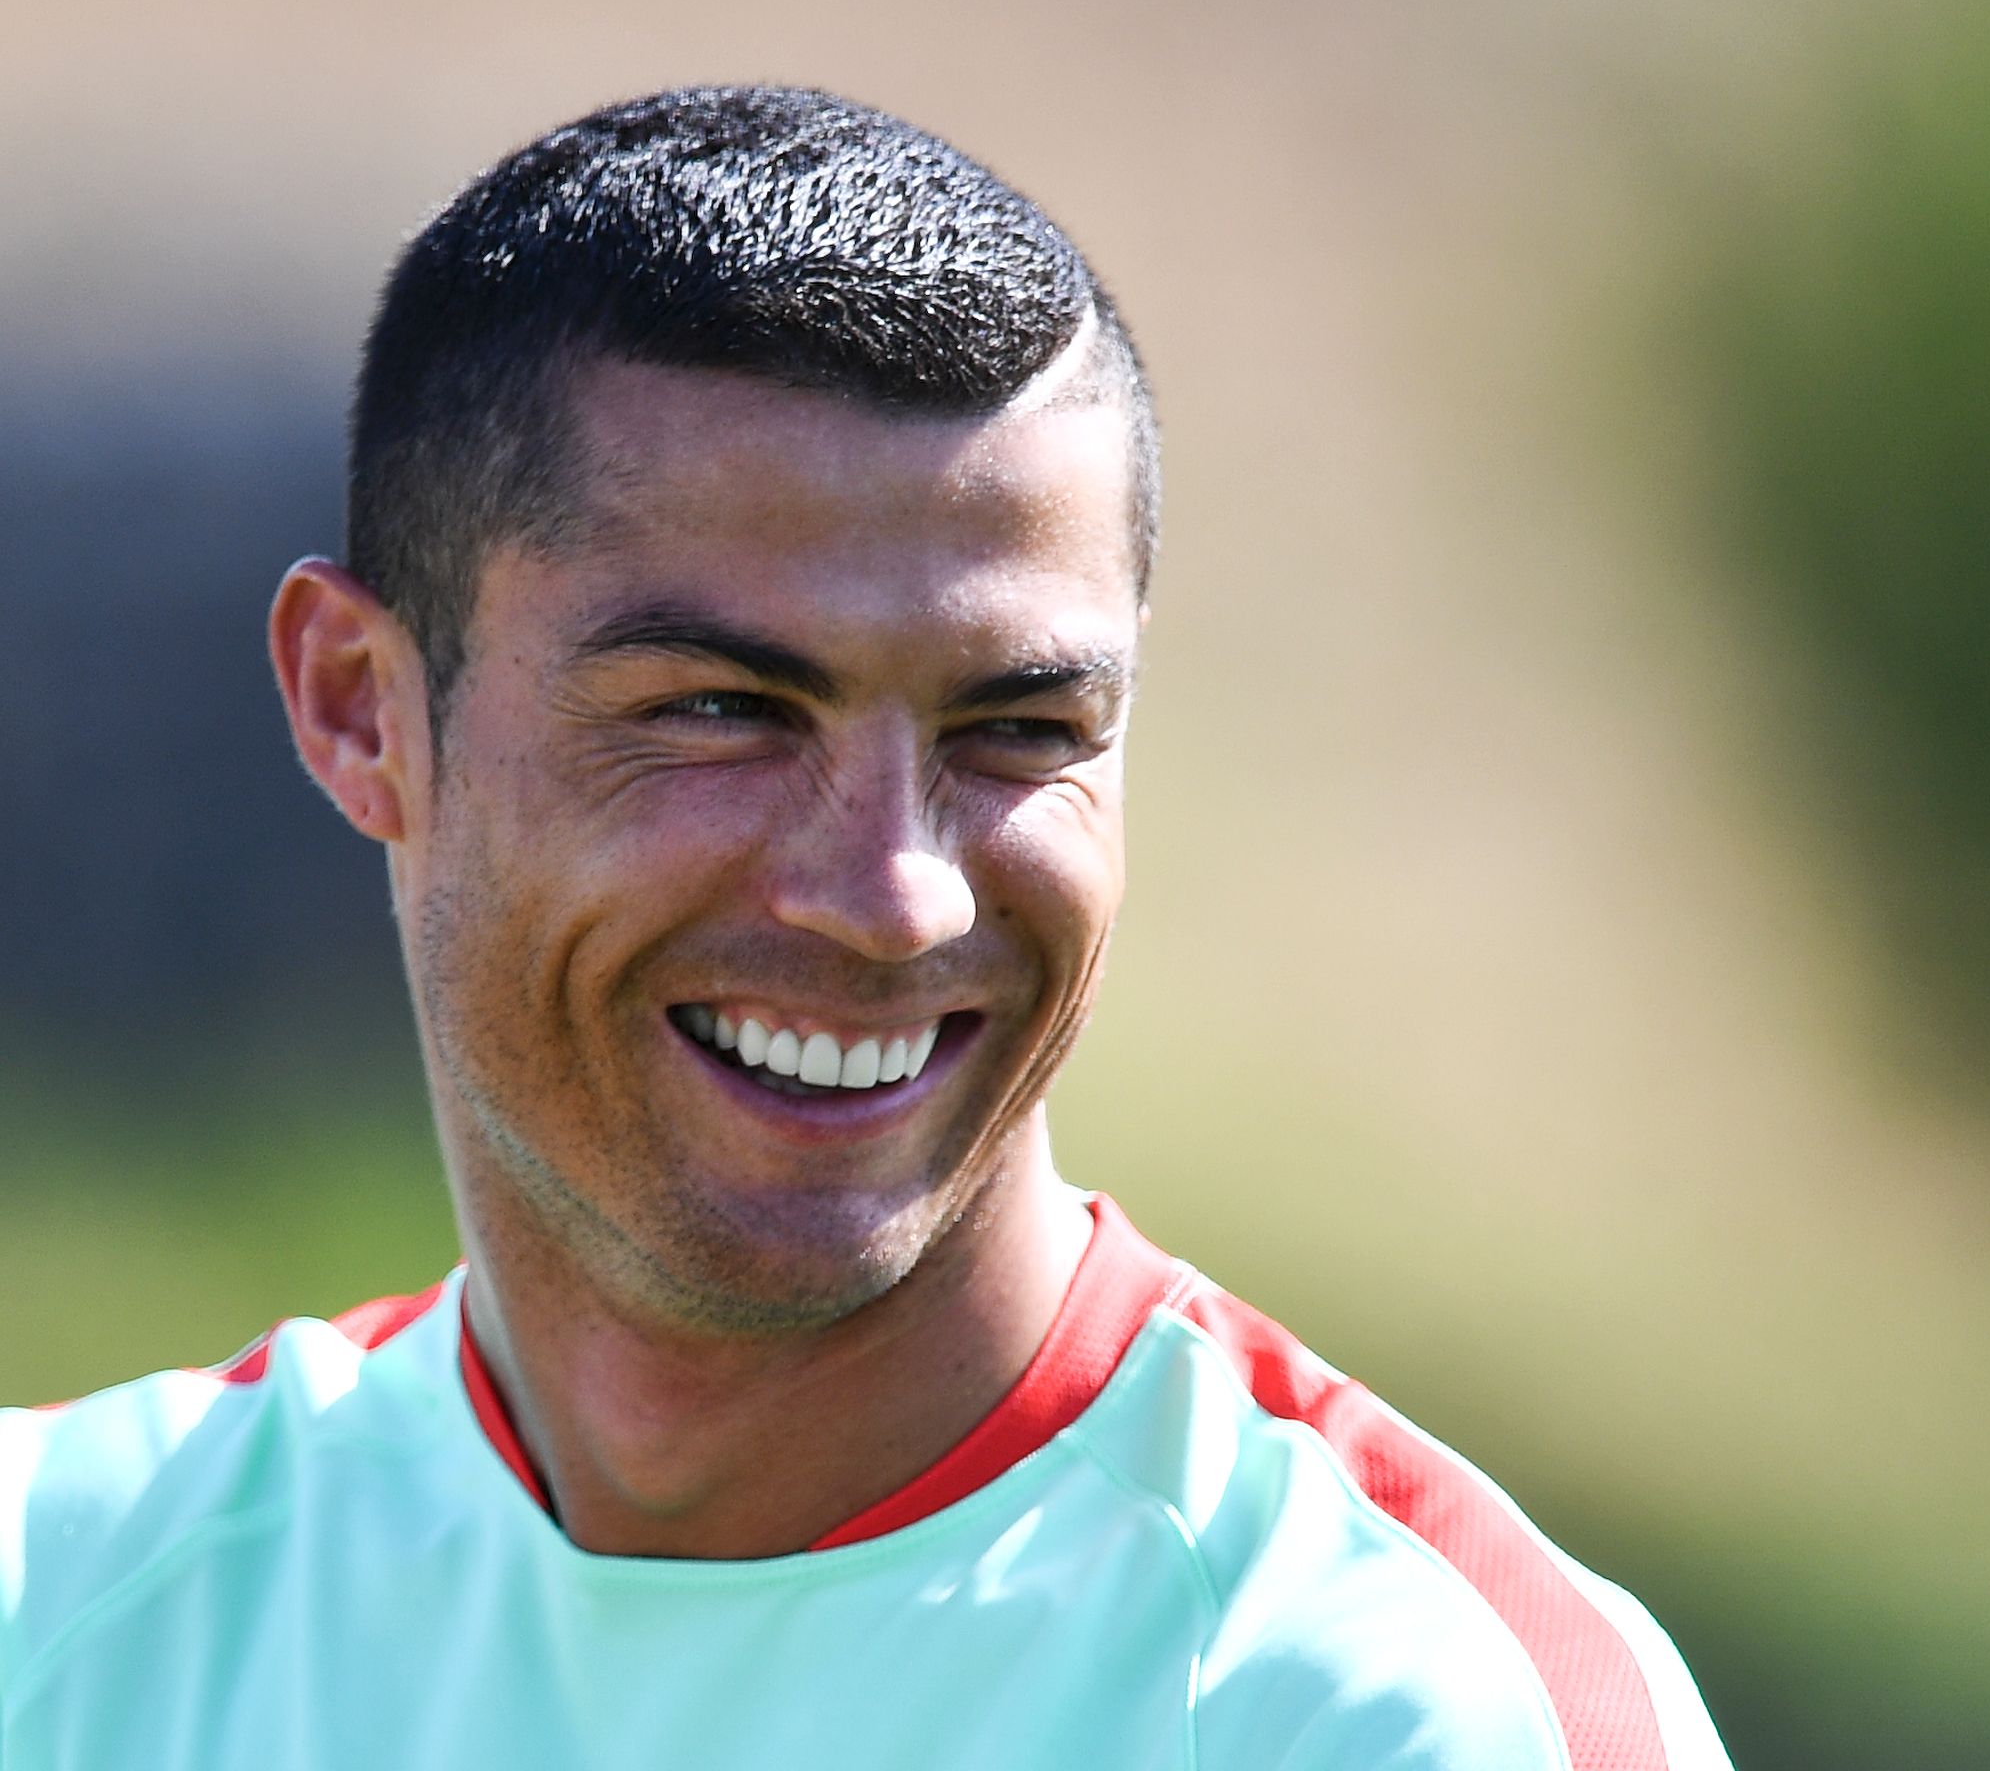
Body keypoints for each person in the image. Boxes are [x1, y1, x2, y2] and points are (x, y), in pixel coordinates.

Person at [0, 86, 1731, 1770]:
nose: (897, 895)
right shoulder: (52, 1612)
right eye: (723, 711)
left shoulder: (1409, 1714)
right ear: (361, 708)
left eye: (1020, 734)